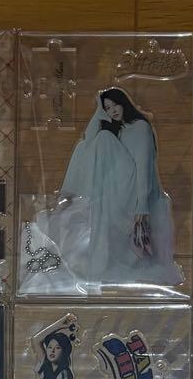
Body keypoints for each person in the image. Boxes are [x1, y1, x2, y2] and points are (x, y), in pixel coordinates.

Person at [33, 88, 178, 292]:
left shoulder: (140, 127)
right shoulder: (120, 129)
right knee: (88, 144)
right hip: (117, 185)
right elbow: (88, 139)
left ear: (123, 102)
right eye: (107, 108)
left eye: (114, 105)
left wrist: (142, 207)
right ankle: (81, 196)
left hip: (134, 187)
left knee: (103, 140)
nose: (112, 111)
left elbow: (144, 167)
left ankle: (77, 195)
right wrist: (98, 112)